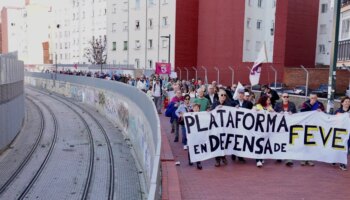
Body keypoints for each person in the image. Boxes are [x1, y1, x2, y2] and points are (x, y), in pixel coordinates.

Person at [210, 89, 236, 167]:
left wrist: (237, 107)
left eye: (225, 95)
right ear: (218, 96)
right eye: (222, 95)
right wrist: (216, 109)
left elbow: (234, 109)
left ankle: (223, 156)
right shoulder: (215, 104)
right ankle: (218, 160)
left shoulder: (228, 104)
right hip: (216, 127)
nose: (223, 96)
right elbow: (211, 114)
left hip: (225, 127)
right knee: (217, 143)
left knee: (224, 143)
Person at [300, 93, 325, 166]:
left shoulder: (320, 104)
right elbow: (302, 112)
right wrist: (310, 105)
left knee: (312, 143)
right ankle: (303, 159)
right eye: (312, 98)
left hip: (315, 126)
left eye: (314, 98)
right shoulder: (306, 103)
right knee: (305, 142)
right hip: (306, 125)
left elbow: (324, 113)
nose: (313, 99)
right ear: (309, 98)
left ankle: (310, 159)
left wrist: (321, 111)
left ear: (317, 98)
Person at [274, 93, 297, 166]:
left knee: (288, 142)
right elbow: (273, 114)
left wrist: (292, 113)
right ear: (281, 97)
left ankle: (288, 159)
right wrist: (278, 113)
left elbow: (296, 114)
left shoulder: (292, 104)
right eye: (284, 97)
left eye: (287, 96)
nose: (286, 98)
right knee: (280, 141)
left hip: (289, 126)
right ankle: (279, 156)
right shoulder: (277, 105)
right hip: (280, 127)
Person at [232, 88, 253, 163]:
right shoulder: (233, 103)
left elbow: (252, 112)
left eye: (242, 93)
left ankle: (240, 156)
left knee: (242, 140)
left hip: (244, 125)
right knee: (235, 140)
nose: (240, 95)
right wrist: (234, 109)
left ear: (244, 95)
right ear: (237, 94)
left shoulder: (248, 103)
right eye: (239, 93)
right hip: (235, 125)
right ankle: (234, 153)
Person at [254, 95, 274, 167]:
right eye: (268, 100)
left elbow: (274, 115)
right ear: (264, 100)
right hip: (258, 129)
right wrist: (255, 111)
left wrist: (273, 111)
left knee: (264, 144)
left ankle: (261, 157)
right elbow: (251, 113)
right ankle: (258, 160)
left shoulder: (269, 107)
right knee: (258, 143)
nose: (269, 101)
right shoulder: (258, 106)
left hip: (266, 129)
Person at [334, 96, 350, 171]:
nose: (347, 103)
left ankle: (342, 163)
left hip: (348, 133)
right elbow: (332, 120)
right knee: (337, 147)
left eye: (349, 102)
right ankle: (335, 159)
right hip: (339, 133)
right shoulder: (338, 111)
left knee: (346, 148)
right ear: (342, 103)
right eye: (346, 101)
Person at [187, 103, 203, 170]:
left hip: (199, 135)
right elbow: (182, 122)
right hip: (192, 135)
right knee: (191, 147)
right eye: (195, 108)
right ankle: (190, 158)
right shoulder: (189, 115)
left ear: (199, 109)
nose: (196, 109)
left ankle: (198, 162)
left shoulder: (202, 115)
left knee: (198, 148)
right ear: (193, 109)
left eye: (197, 108)